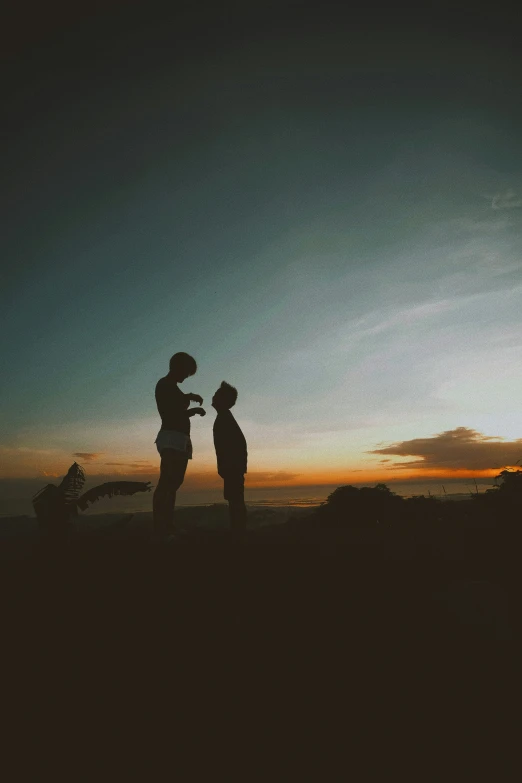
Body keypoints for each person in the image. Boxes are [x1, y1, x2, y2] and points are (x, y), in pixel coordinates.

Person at [153, 352, 205, 538]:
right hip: (172, 438)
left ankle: (167, 524)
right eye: (186, 372)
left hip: (179, 439)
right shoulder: (165, 385)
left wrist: (189, 396)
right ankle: (161, 526)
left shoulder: (171, 386)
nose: (186, 376)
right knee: (167, 482)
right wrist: (194, 410)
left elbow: (177, 403)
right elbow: (171, 414)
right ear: (178, 367)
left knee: (173, 483)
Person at [212, 381, 248, 536]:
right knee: (235, 499)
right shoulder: (224, 418)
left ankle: (239, 534)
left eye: (217, 394)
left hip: (233, 468)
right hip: (233, 468)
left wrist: (229, 468)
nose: (213, 396)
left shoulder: (224, 419)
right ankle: (239, 533)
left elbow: (237, 445)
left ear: (224, 400)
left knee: (235, 501)